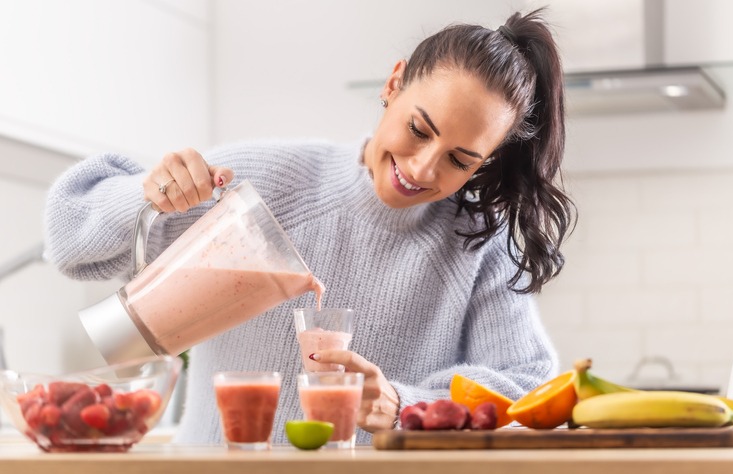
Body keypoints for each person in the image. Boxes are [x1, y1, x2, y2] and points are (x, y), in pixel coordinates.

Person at [44, 9, 575, 445]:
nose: (421, 169)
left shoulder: (478, 242)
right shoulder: (263, 184)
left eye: (459, 160)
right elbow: (68, 238)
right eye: (418, 129)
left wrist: (401, 403)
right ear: (394, 83)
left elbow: (527, 386)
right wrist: (150, 195)